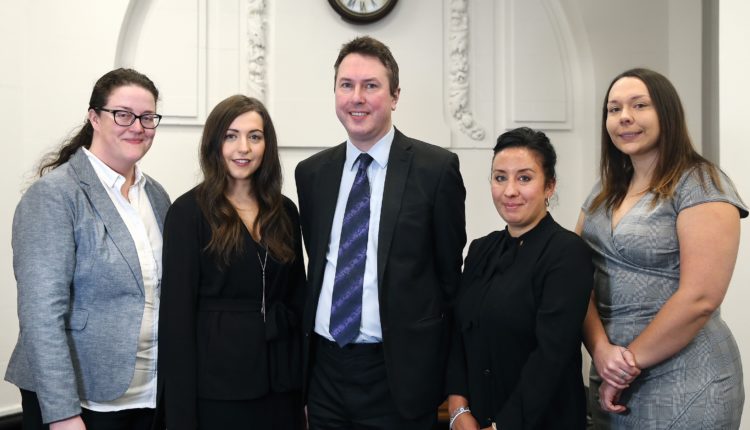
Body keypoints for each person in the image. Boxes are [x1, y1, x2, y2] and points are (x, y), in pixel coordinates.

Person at [295, 36, 466, 429]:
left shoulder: (436, 171)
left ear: (395, 96)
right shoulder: (312, 174)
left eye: (370, 85)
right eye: (346, 85)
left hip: (400, 378)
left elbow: (450, 284)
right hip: (325, 375)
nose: (357, 97)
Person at [578, 68, 747, 429]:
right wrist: (601, 351)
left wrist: (625, 366)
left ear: (667, 113)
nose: (624, 117)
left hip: (688, 380)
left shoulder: (701, 183)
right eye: (614, 109)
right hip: (611, 375)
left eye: (640, 105)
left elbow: (700, 298)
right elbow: (575, 277)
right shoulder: (603, 191)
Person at [5, 68, 170, 429]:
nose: (137, 126)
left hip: (147, 394)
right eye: (123, 114)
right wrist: (62, 413)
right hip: (80, 400)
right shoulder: (55, 195)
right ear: (94, 117)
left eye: (147, 117)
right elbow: (41, 314)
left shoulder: (156, 195)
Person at [158, 95, 305, 429]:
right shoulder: (187, 213)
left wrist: (306, 391)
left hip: (282, 383)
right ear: (214, 144)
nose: (244, 148)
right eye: (231, 136)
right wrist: (180, 417)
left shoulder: (285, 211)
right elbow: (176, 322)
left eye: (255, 136)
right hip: (218, 388)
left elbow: (299, 299)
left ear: (267, 145)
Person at [446, 127, 593, 430]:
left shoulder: (568, 253)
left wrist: (502, 426)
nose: (510, 190)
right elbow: (459, 333)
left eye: (524, 178)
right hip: (476, 419)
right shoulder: (480, 249)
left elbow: (551, 357)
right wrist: (458, 408)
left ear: (549, 186)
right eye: (500, 177)